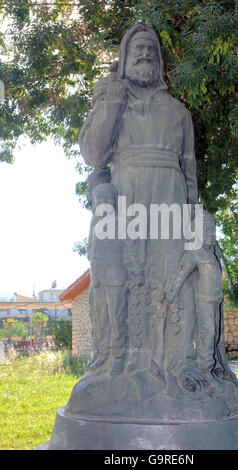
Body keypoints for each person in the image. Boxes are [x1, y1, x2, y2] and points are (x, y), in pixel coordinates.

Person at [79, 22, 198, 383]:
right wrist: (111, 101)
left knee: (171, 281)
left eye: (151, 50)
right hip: (126, 200)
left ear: (160, 61)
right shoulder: (110, 102)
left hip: (170, 200)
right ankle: (121, 361)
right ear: (123, 60)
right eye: (137, 50)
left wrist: (192, 219)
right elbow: (94, 154)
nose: (145, 54)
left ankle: (176, 365)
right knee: (124, 281)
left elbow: (189, 168)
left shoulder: (178, 112)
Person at [164, 210, 238, 391]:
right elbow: (182, 274)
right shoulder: (194, 253)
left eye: (213, 232)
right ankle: (205, 369)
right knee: (207, 333)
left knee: (214, 334)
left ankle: (213, 367)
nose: (211, 236)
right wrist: (172, 292)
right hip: (204, 302)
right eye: (207, 232)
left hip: (216, 300)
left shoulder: (213, 254)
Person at [87, 181, 128, 376]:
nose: (103, 203)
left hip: (115, 278)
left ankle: (118, 357)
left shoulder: (120, 223)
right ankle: (101, 354)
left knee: (116, 318)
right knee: (99, 317)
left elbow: (129, 250)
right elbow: (91, 251)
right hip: (98, 277)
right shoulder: (94, 223)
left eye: (107, 200)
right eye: (99, 200)